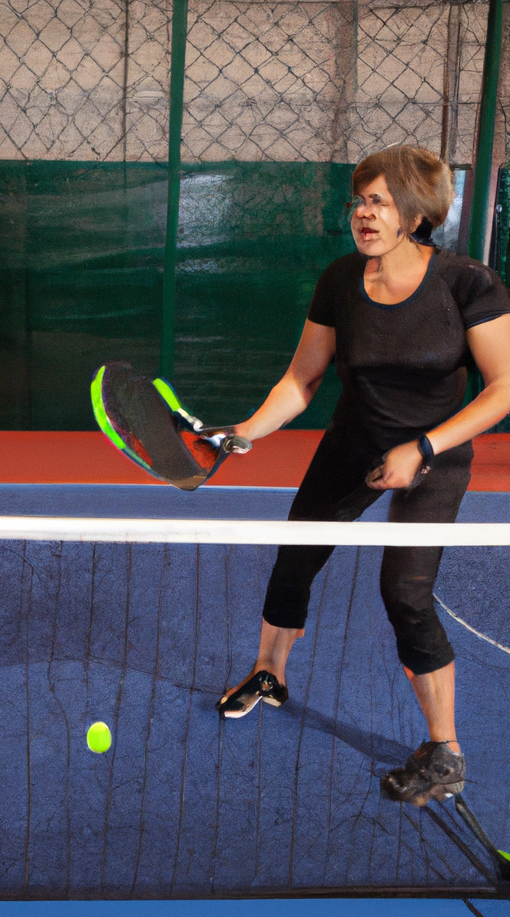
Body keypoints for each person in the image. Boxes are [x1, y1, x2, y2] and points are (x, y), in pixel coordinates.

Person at [215, 145, 510, 807]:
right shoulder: (341, 280)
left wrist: (424, 448)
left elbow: (503, 390)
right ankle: (269, 674)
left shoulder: (468, 284)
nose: (363, 213)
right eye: (359, 200)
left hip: (432, 454)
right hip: (355, 441)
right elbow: (302, 379)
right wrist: (245, 432)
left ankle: (444, 750)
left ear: (415, 212)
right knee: (296, 557)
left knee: (405, 593)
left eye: (378, 201)